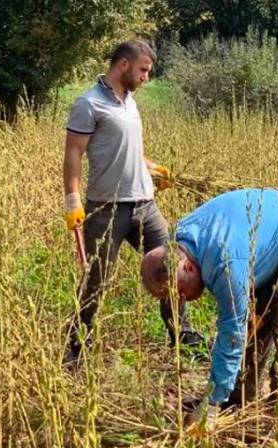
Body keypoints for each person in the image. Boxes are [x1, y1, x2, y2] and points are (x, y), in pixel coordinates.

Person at [140, 188, 278, 429]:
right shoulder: (181, 238)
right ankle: (236, 399)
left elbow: (233, 334)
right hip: (263, 238)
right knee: (256, 321)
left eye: (179, 292)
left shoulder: (225, 264)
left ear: (189, 268)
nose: (182, 298)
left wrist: (210, 404)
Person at [62, 39, 202, 367]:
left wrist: (153, 170)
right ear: (123, 64)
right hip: (106, 209)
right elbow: (73, 154)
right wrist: (72, 199)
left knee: (172, 268)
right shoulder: (89, 104)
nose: (146, 77)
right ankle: (76, 347)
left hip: (145, 206)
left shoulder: (130, 102)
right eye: (143, 70)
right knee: (96, 280)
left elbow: (130, 152)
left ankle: (182, 335)